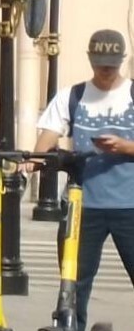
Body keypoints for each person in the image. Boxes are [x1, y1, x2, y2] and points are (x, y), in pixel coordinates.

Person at [37, 28, 134, 315]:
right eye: (100, 64)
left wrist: (125, 147)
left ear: (122, 60)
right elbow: (47, 138)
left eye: (111, 65)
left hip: (129, 205)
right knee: (73, 285)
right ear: (90, 59)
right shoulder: (73, 96)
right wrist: (30, 162)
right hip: (82, 206)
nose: (106, 71)